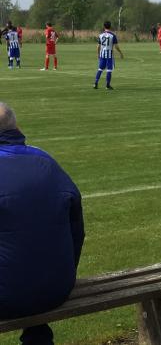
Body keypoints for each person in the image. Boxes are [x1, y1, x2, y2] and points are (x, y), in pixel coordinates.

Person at [0, 102, 85, 345]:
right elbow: (76, 231)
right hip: (57, 287)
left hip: (8, 295)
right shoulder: (46, 160)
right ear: (17, 127)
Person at [94, 21, 124, 90]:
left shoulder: (101, 35)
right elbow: (116, 46)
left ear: (104, 27)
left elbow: (98, 46)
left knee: (100, 69)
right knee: (109, 70)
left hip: (102, 54)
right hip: (109, 55)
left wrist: (98, 54)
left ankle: (95, 83)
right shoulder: (112, 35)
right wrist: (120, 53)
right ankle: (107, 85)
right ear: (110, 26)